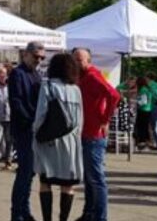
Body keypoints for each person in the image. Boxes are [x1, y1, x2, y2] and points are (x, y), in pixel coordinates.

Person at [33, 53, 84, 221]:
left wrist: (36, 132)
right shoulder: (76, 90)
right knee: (68, 184)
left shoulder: (48, 86)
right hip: (71, 141)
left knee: (45, 181)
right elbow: (79, 119)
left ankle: (47, 219)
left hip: (50, 141)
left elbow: (41, 113)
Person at [73, 48, 120, 221]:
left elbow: (114, 95)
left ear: (88, 60)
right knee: (89, 177)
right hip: (84, 131)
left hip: (94, 133)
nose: (77, 63)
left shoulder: (92, 76)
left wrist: (105, 119)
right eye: (75, 60)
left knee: (96, 178)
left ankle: (100, 217)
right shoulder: (82, 77)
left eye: (80, 60)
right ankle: (89, 214)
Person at [9, 41, 45, 221]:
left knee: (30, 173)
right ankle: (17, 213)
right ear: (26, 54)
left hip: (35, 129)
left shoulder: (37, 75)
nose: (39, 60)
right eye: (36, 56)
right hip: (24, 130)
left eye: (42, 58)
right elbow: (16, 102)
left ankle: (25, 210)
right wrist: (31, 122)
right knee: (25, 172)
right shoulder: (17, 73)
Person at [134, 77, 153, 150]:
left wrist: (134, 102)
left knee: (141, 128)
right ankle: (146, 143)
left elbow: (143, 102)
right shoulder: (147, 89)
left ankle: (142, 144)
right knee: (145, 128)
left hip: (143, 111)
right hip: (148, 110)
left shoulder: (143, 90)